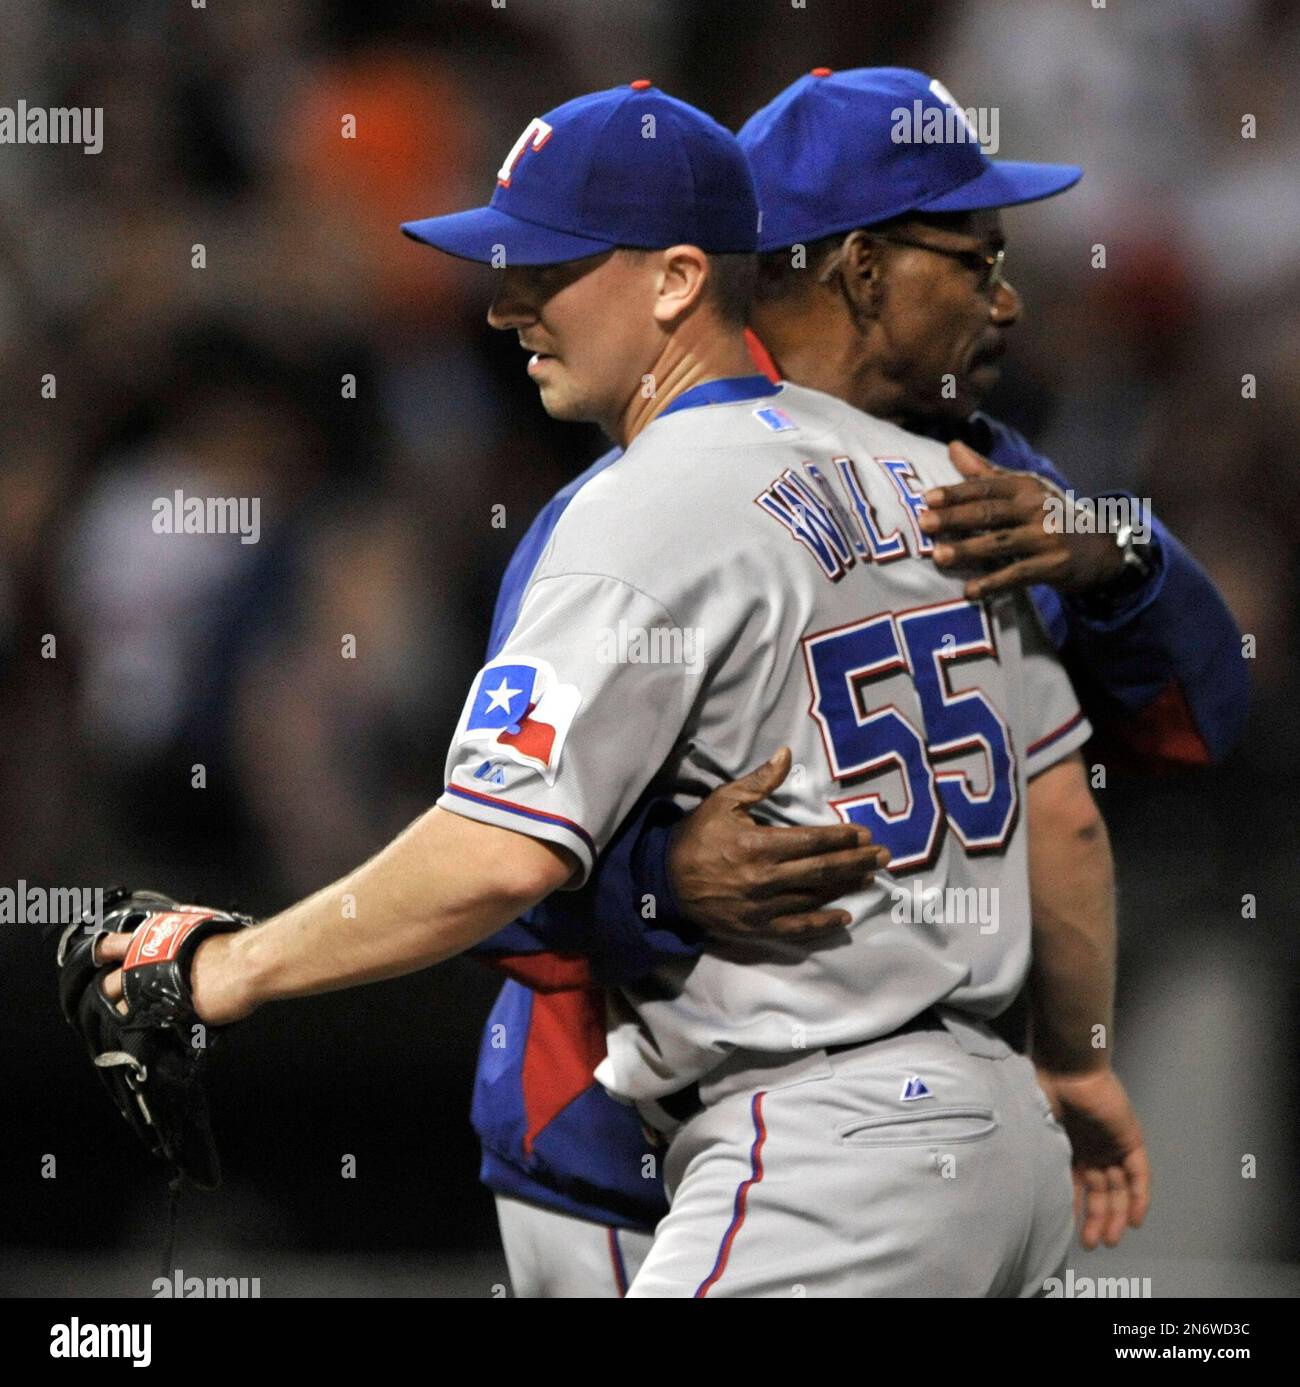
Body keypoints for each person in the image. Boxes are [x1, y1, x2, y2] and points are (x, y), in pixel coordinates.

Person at [97, 79, 1130, 1295]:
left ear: (678, 278)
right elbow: (1061, 812)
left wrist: (227, 969)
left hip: (827, 1141)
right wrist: (1079, 1063)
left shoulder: (642, 507)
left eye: (547, 266)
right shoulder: (929, 478)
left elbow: (496, 856)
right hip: (1001, 1138)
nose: (504, 304)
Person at [463, 69, 1245, 1295]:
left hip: (886, 1136)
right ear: (860, 269)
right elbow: (486, 868)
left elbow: (1199, 723)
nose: (1010, 301)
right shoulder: (634, 511)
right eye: (974, 258)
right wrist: (662, 884)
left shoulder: (980, 483)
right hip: (620, 1142)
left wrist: (1120, 550)